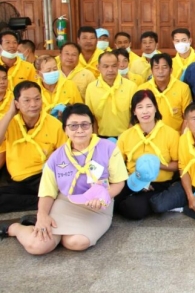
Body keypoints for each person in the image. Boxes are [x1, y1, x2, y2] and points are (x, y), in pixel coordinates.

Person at [0, 104, 128, 253]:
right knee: (38, 246)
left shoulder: (108, 148)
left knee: (77, 242)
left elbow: (119, 182)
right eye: (73, 126)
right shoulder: (56, 157)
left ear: (92, 126)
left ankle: (60, 236)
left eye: (84, 125)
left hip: (98, 206)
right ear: (65, 129)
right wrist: (42, 215)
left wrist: (104, 196)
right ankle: (15, 228)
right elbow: (47, 192)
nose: (79, 130)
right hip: (66, 202)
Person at [0, 81, 67, 213]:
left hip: (43, 176)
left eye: (37, 99)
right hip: (18, 180)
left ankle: (47, 199)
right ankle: (43, 201)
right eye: (27, 100)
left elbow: (65, 155)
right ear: (16, 103)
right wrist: (9, 113)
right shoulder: (8, 121)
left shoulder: (54, 124)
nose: (33, 104)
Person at [115, 90, 180, 220]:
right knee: (110, 198)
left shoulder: (171, 134)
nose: (145, 111)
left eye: (149, 106)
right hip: (133, 179)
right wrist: (135, 179)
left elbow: (177, 164)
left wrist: (156, 165)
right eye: (140, 107)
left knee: (133, 209)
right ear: (134, 111)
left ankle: (156, 199)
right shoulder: (126, 136)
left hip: (158, 183)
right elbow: (117, 164)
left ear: (155, 108)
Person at [85, 52, 137, 139]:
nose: (110, 70)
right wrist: (96, 138)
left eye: (114, 66)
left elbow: (135, 115)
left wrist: (128, 136)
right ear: (98, 67)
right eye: (106, 66)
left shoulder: (131, 86)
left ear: (118, 66)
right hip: (101, 137)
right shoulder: (91, 88)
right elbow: (91, 117)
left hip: (127, 136)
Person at [138, 53, 192, 133]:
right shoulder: (142, 89)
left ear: (171, 70)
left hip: (175, 137)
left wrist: (181, 137)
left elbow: (187, 117)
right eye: (156, 68)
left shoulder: (183, 88)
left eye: (164, 67)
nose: (160, 71)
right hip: (149, 137)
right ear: (151, 71)